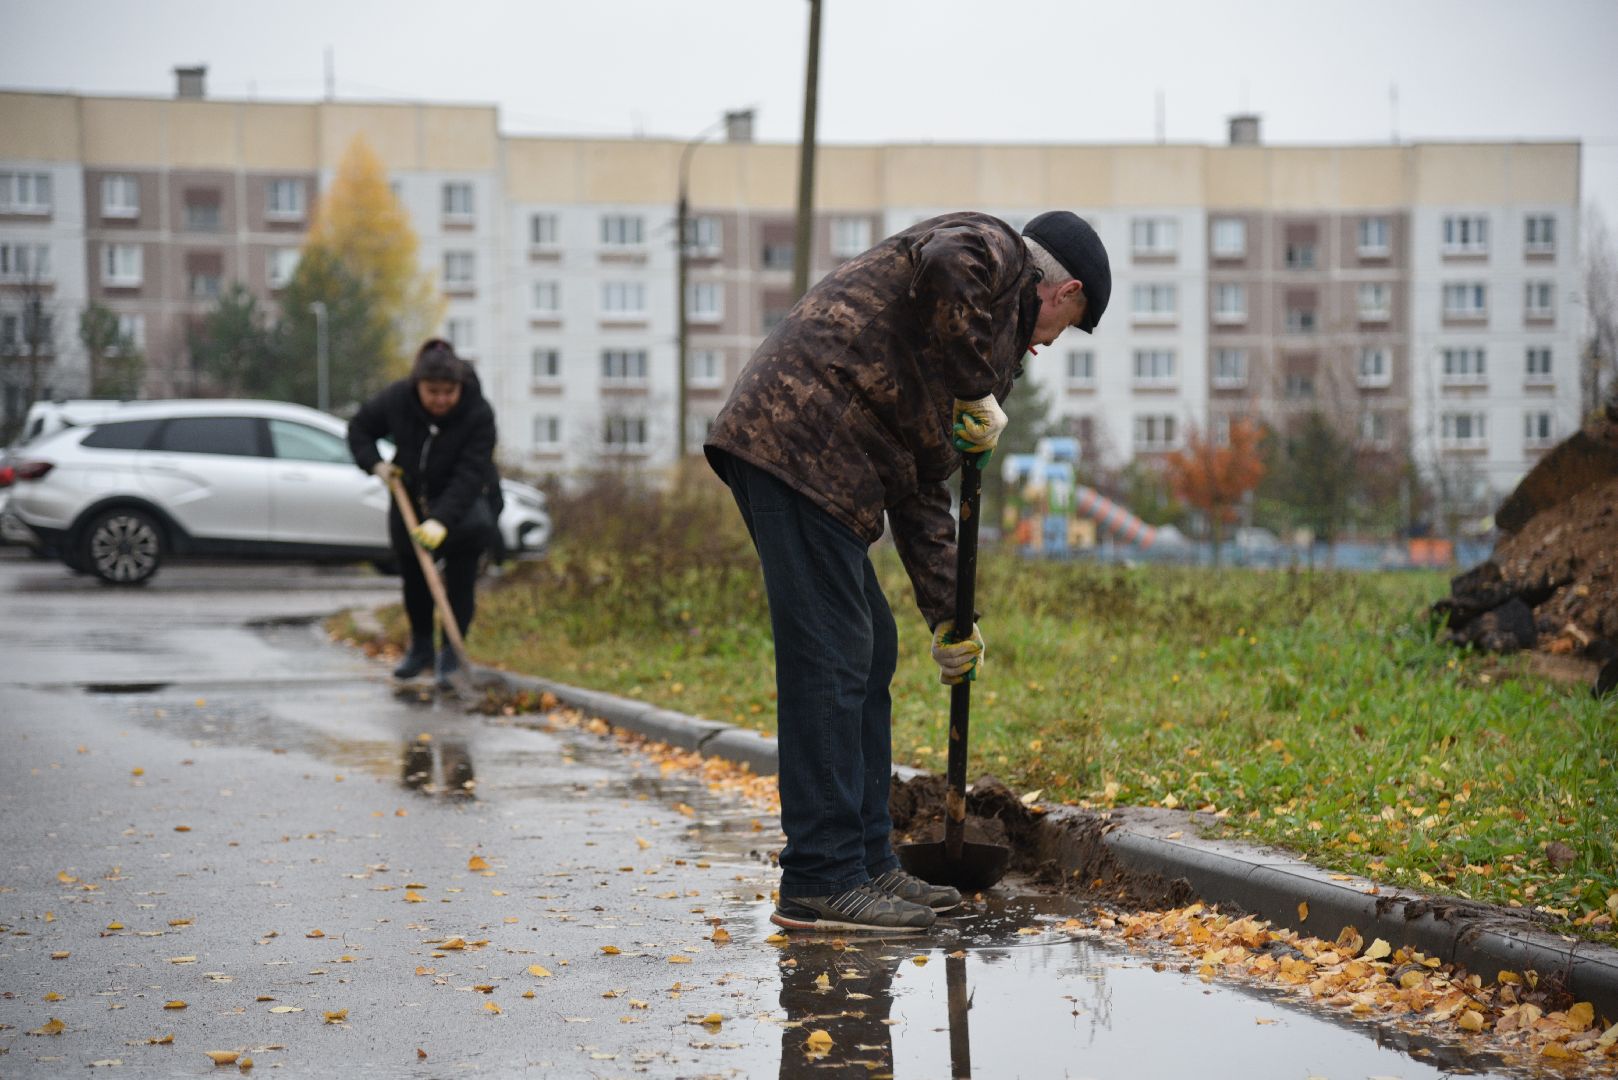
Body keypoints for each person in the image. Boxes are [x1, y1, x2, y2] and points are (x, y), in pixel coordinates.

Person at [704, 211, 1110, 932]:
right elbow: (946, 259)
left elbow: (925, 489)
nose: (1047, 346)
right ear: (1062, 288)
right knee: (831, 658)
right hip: (797, 440)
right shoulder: (993, 251)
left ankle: (866, 865)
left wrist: (952, 615)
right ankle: (820, 879)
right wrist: (972, 386)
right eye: (1064, 326)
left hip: (825, 464)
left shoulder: (982, 346)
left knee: (871, 649)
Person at [348, 338, 501, 688]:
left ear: (460, 387)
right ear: (418, 385)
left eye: (449, 392)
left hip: (465, 505)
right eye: (433, 391)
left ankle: (451, 654)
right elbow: (359, 429)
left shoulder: (478, 412)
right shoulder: (398, 399)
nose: (441, 400)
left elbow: (470, 473)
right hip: (410, 499)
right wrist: (374, 464)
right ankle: (420, 649)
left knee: (460, 582)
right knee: (415, 581)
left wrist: (442, 520)